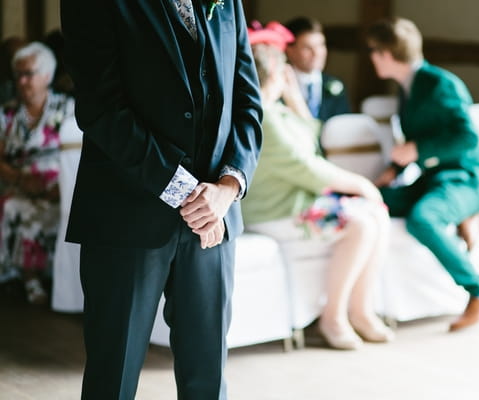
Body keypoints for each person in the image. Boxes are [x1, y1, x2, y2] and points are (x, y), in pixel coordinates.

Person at [60, 0, 262, 398]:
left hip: (213, 220)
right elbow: (101, 108)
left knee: (207, 379)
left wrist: (227, 188)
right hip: (127, 217)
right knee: (112, 379)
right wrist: (186, 192)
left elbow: (248, 104)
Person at [242, 22, 393, 350]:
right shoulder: (262, 116)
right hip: (275, 210)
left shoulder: (276, 110)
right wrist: (360, 184)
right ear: (275, 72)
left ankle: (361, 310)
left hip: (296, 201)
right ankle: (333, 317)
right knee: (360, 224)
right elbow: (305, 165)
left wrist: (295, 101)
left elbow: (311, 139)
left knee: (377, 214)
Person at [366, 17, 479, 332]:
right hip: (434, 180)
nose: (371, 57)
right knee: (373, 201)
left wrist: (417, 150)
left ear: (387, 53)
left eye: (374, 51)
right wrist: (393, 169)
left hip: (466, 178)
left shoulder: (441, 83)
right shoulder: (406, 88)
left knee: (423, 219)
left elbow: (466, 138)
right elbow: (420, 142)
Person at [0, 42, 76, 305]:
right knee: (14, 206)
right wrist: (20, 179)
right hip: (18, 183)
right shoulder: (7, 113)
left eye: (28, 74)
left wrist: (61, 187)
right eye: (17, 74)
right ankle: (28, 279)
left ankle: (49, 279)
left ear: (46, 76)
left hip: (61, 187)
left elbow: (79, 154)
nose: (21, 81)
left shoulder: (67, 109)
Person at [284, 16, 351, 121]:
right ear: (290, 51)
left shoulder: (336, 85)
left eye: (321, 45)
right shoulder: (280, 85)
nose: (317, 53)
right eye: (307, 47)